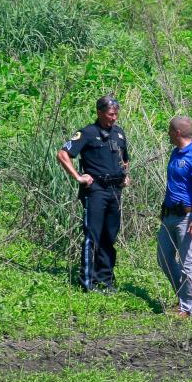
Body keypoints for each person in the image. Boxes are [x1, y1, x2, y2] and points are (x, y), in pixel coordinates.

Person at [55, 95, 129, 292]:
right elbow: (62, 154)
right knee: (93, 236)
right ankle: (87, 282)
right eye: (110, 114)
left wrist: (125, 174)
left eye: (116, 114)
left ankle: (105, 280)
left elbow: (125, 158)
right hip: (96, 190)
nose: (114, 118)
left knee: (109, 236)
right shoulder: (87, 132)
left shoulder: (119, 134)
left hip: (115, 191)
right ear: (99, 112)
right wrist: (79, 177)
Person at [158, 115, 192, 317]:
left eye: (170, 131)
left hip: (188, 218)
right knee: (164, 258)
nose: (168, 135)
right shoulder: (175, 153)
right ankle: (183, 296)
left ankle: (187, 308)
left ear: (177, 133)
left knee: (188, 263)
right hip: (169, 216)